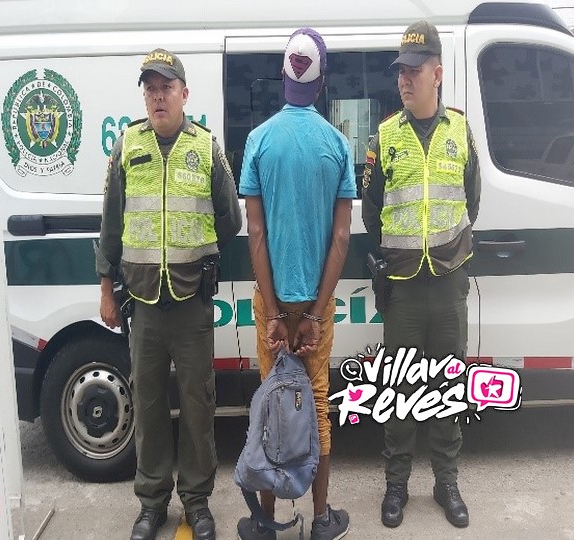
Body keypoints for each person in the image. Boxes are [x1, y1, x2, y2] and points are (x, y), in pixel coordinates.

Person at [96, 48, 242, 540]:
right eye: (151, 89)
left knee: (199, 405)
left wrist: (200, 253)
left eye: (166, 88)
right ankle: (152, 503)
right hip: (143, 306)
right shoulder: (127, 147)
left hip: (191, 303)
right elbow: (110, 226)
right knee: (149, 405)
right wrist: (106, 288)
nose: (158, 96)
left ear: (184, 94)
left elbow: (230, 218)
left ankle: (197, 503)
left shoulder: (206, 148)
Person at [236, 27, 356, 540]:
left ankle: (266, 522)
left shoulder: (259, 141)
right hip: (315, 306)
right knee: (318, 405)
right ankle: (322, 518)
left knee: (273, 403)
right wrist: (312, 314)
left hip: (272, 301)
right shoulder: (338, 145)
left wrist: (274, 313)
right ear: (321, 82)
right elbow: (342, 238)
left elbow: (256, 233)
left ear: (283, 76)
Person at [362, 20, 481, 530]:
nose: (405, 80)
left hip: (449, 282)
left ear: (438, 73)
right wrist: (397, 258)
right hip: (405, 289)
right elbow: (372, 212)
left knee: (448, 386)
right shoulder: (385, 137)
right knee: (401, 391)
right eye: (400, 72)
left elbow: (471, 200)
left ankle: (446, 482)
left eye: (414, 70)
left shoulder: (459, 132)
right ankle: (397, 485)